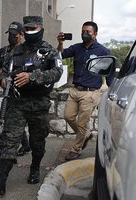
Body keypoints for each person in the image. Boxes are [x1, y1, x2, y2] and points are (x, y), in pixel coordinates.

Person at [0, 16, 63, 195]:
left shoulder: (49, 51)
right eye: (27, 28)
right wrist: (4, 80)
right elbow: (4, 72)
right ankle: (1, 180)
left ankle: (35, 167)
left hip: (39, 104)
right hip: (17, 103)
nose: (30, 32)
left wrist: (32, 77)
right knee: (9, 140)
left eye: (33, 28)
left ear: (41, 28)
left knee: (37, 141)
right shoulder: (14, 52)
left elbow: (57, 72)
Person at [56, 21, 113, 161]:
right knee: (68, 116)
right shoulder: (77, 48)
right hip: (75, 90)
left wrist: (112, 89)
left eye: (88, 32)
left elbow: (110, 71)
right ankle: (85, 135)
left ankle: (76, 149)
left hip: (90, 92)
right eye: (83, 31)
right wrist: (60, 42)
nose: (85, 34)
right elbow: (60, 55)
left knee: (82, 123)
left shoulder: (103, 51)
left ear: (95, 34)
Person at [0, 21, 31, 157]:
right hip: (8, 90)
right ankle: (19, 145)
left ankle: (14, 144)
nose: (11, 37)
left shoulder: (26, 51)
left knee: (16, 119)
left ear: (21, 35)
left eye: (14, 35)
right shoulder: (3, 51)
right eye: (9, 34)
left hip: (22, 91)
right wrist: (2, 77)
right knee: (7, 117)